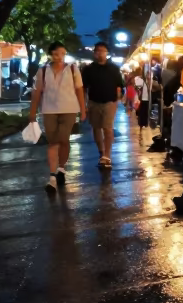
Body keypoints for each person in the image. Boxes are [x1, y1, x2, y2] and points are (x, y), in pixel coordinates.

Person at [28, 42, 86, 192]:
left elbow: (80, 90)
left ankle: (62, 167)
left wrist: (83, 109)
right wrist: (32, 113)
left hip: (69, 109)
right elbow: (37, 92)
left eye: (62, 53)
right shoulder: (42, 71)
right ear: (50, 55)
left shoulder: (73, 69)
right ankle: (53, 176)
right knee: (52, 142)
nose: (60, 57)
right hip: (48, 110)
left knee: (63, 139)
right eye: (56, 54)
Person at [82, 42, 125, 169]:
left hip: (109, 102)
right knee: (96, 128)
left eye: (103, 51)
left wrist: (116, 101)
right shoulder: (88, 69)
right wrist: (84, 104)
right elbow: (84, 88)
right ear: (94, 53)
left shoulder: (114, 69)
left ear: (107, 53)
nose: (100, 53)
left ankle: (107, 155)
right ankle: (101, 151)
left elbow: (119, 86)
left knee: (108, 128)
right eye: (98, 51)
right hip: (94, 102)